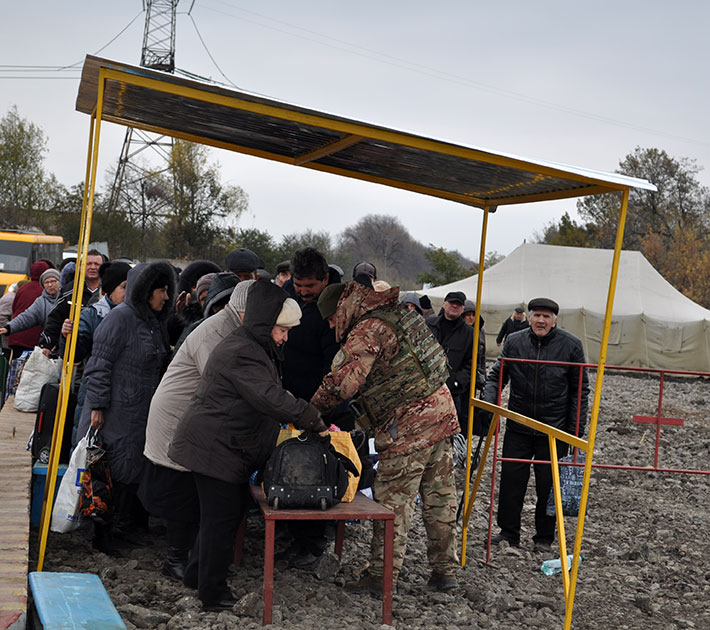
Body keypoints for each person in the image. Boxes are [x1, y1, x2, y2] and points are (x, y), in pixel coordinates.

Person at [168, 279, 327, 611]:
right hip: (214, 447)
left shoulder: (252, 345)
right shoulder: (243, 351)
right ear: (264, 323)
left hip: (221, 446)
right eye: (282, 330)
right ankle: (212, 593)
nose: (285, 337)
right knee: (221, 519)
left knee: (222, 515)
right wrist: (310, 416)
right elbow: (270, 398)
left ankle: (197, 575)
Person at [312, 280, 460, 593]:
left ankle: (381, 576)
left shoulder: (369, 328)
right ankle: (444, 571)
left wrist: (310, 411)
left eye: (329, 318)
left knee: (393, 502)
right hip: (441, 412)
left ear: (342, 308)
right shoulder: (398, 314)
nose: (328, 326)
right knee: (440, 497)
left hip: (408, 423)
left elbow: (343, 383)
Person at [140, 279, 254, 582]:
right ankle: (175, 559)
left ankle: (190, 556)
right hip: (177, 417)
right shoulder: (216, 333)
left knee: (194, 490)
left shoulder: (234, 327)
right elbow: (220, 383)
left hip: (194, 418)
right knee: (182, 490)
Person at [77, 261, 176, 555]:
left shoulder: (153, 323)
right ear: (145, 291)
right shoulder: (119, 319)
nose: (166, 296)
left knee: (132, 472)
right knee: (110, 474)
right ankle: (102, 536)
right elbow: (99, 365)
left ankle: (125, 528)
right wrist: (97, 407)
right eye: (161, 290)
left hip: (140, 413)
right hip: (115, 412)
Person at [481, 297, 589, 552]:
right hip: (519, 424)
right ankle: (508, 533)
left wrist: (576, 431)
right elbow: (498, 376)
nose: (541, 320)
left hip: (553, 430)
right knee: (511, 482)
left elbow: (579, 390)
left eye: (546, 316)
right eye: (537, 315)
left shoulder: (571, 346)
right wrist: (489, 404)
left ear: (555, 320)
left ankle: (543, 538)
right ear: (529, 318)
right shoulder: (515, 342)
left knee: (549, 485)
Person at [280, 246, 341, 567]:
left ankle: (313, 540)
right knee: (287, 468)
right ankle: (292, 532)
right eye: (298, 286)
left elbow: (334, 367)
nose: (303, 293)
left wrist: (318, 409)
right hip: (286, 399)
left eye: (310, 288)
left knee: (314, 472)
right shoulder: (285, 297)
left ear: (325, 280)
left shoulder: (331, 311)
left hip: (320, 404)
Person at [428, 291, 478, 433]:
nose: (454, 306)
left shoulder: (470, 333)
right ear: (444, 304)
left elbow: (472, 363)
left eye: (459, 304)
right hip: (424, 390)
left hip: (451, 394)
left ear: (463, 308)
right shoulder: (429, 324)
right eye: (451, 303)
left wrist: (456, 382)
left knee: (448, 433)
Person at [39, 249, 104, 355]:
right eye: (88, 264)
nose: (93, 267)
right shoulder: (71, 290)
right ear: (81, 266)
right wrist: (46, 344)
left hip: (100, 349)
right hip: (74, 351)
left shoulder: (108, 290)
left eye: (97, 264)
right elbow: (55, 318)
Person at [1, 268, 60, 344]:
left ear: (60, 282)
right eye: (46, 282)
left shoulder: (67, 297)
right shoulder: (41, 302)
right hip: (50, 343)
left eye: (53, 281)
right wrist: (9, 327)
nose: (50, 285)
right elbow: (27, 316)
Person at [3, 261, 51, 356]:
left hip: (16, 336)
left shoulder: (23, 288)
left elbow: (14, 308)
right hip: (34, 339)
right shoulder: (45, 291)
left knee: (15, 366)